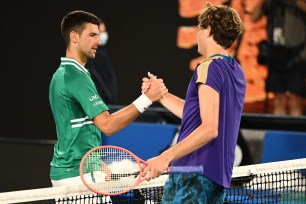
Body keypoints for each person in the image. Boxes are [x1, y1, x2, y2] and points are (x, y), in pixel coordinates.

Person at [140, 3, 246, 203]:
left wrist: (164, 157)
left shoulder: (208, 67)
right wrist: (161, 95)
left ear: (209, 30)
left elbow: (209, 129)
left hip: (194, 172)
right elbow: (196, 116)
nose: (197, 34)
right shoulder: (236, 70)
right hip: (214, 176)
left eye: (200, 28)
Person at [49, 10, 167, 187]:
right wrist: (147, 99)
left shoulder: (63, 74)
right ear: (74, 37)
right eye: (92, 35)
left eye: (98, 35)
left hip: (72, 171)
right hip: (78, 175)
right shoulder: (75, 77)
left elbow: (74, 129)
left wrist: (98, 163)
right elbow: (108, 125)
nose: (98, 41)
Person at [251, 0, 306, 116]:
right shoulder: (272, 3)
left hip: (297, 57)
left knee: (295, 98)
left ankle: (295, 132)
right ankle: (279, 130)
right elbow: (253, 17)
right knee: (278, 99)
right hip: (276, 56)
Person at [85, 20, 118, 104]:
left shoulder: (103, 54)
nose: (104, 34)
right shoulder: (93, 55)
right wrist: (108, 97)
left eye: (104, 31)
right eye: (101, 32)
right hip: (99, 104)